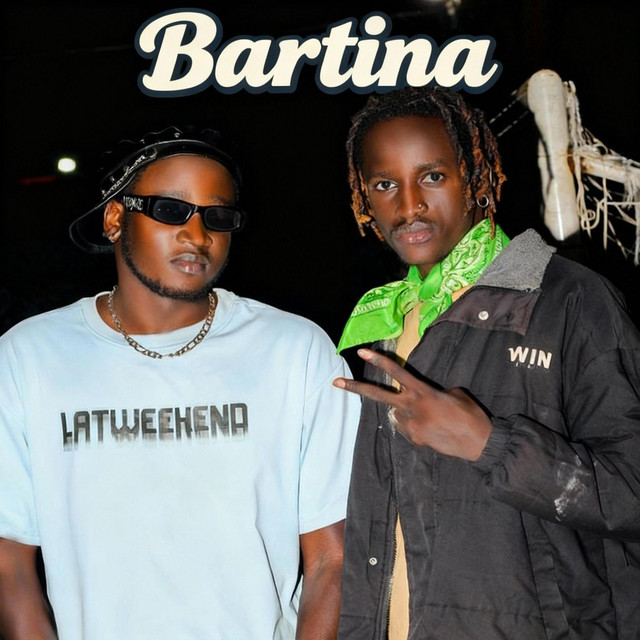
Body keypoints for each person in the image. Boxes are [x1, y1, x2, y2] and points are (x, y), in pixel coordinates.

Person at [0, 126, 360, 640]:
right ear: (115, 219)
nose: (198, 235)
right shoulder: (29, 357)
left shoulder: (295, 351)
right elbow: (9, 562)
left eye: (218, 217)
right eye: (170, 210)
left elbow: (334, 558)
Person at [332, 87, 640, 639]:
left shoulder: (571, 299)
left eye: (432, 176)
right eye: (385, 184)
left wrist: (490, 443)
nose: (409, 205)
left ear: (475, 176)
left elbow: (631, 493)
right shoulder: (382, 320)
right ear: (363, 197)